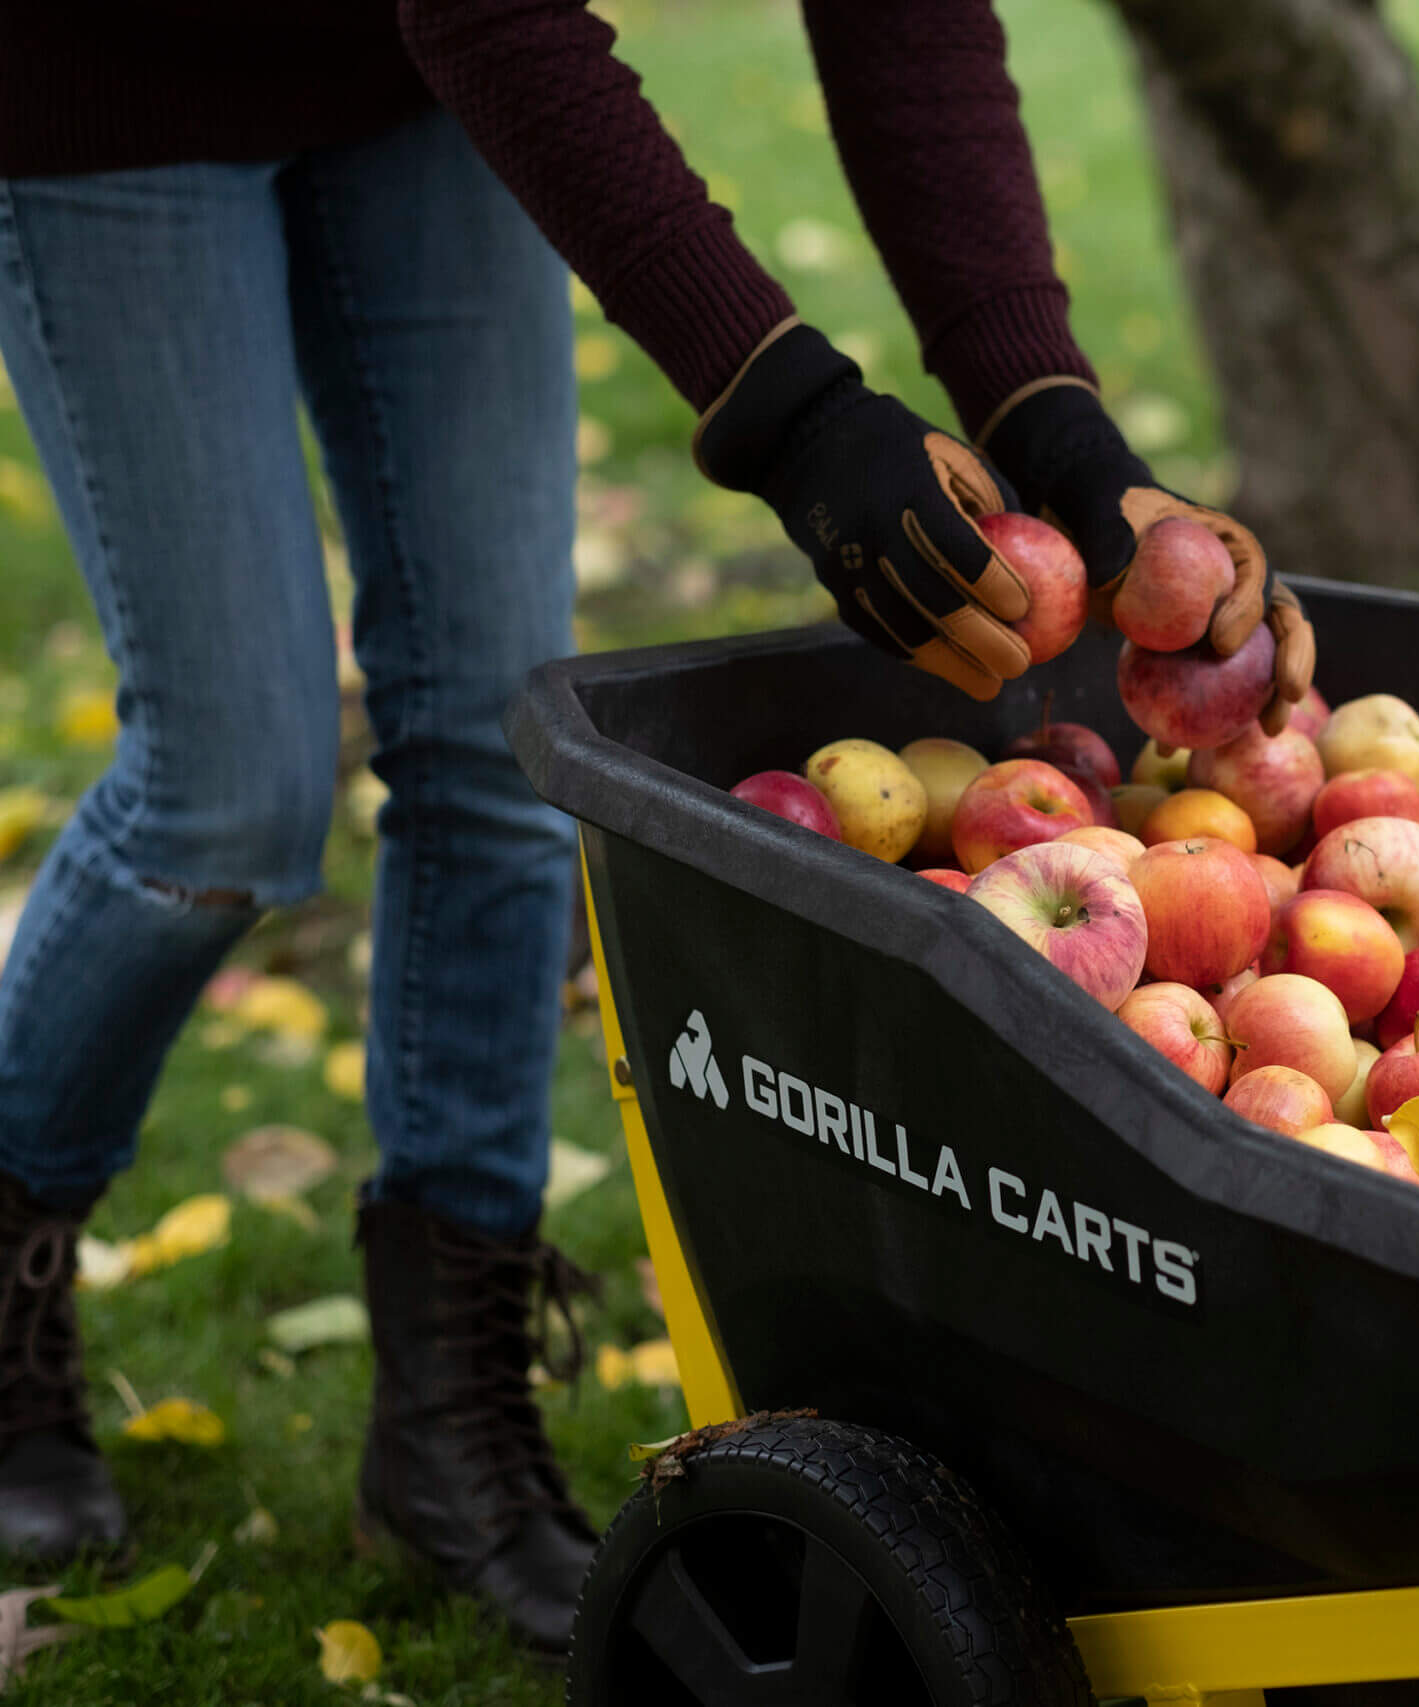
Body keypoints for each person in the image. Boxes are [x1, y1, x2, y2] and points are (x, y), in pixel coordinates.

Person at [0, 0, 1309, 1654]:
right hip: (109, 88)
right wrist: (796, 417)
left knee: (495, 746)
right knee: (228, 781)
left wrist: (1050, 416)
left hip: (412, 92)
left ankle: (449, 1433)